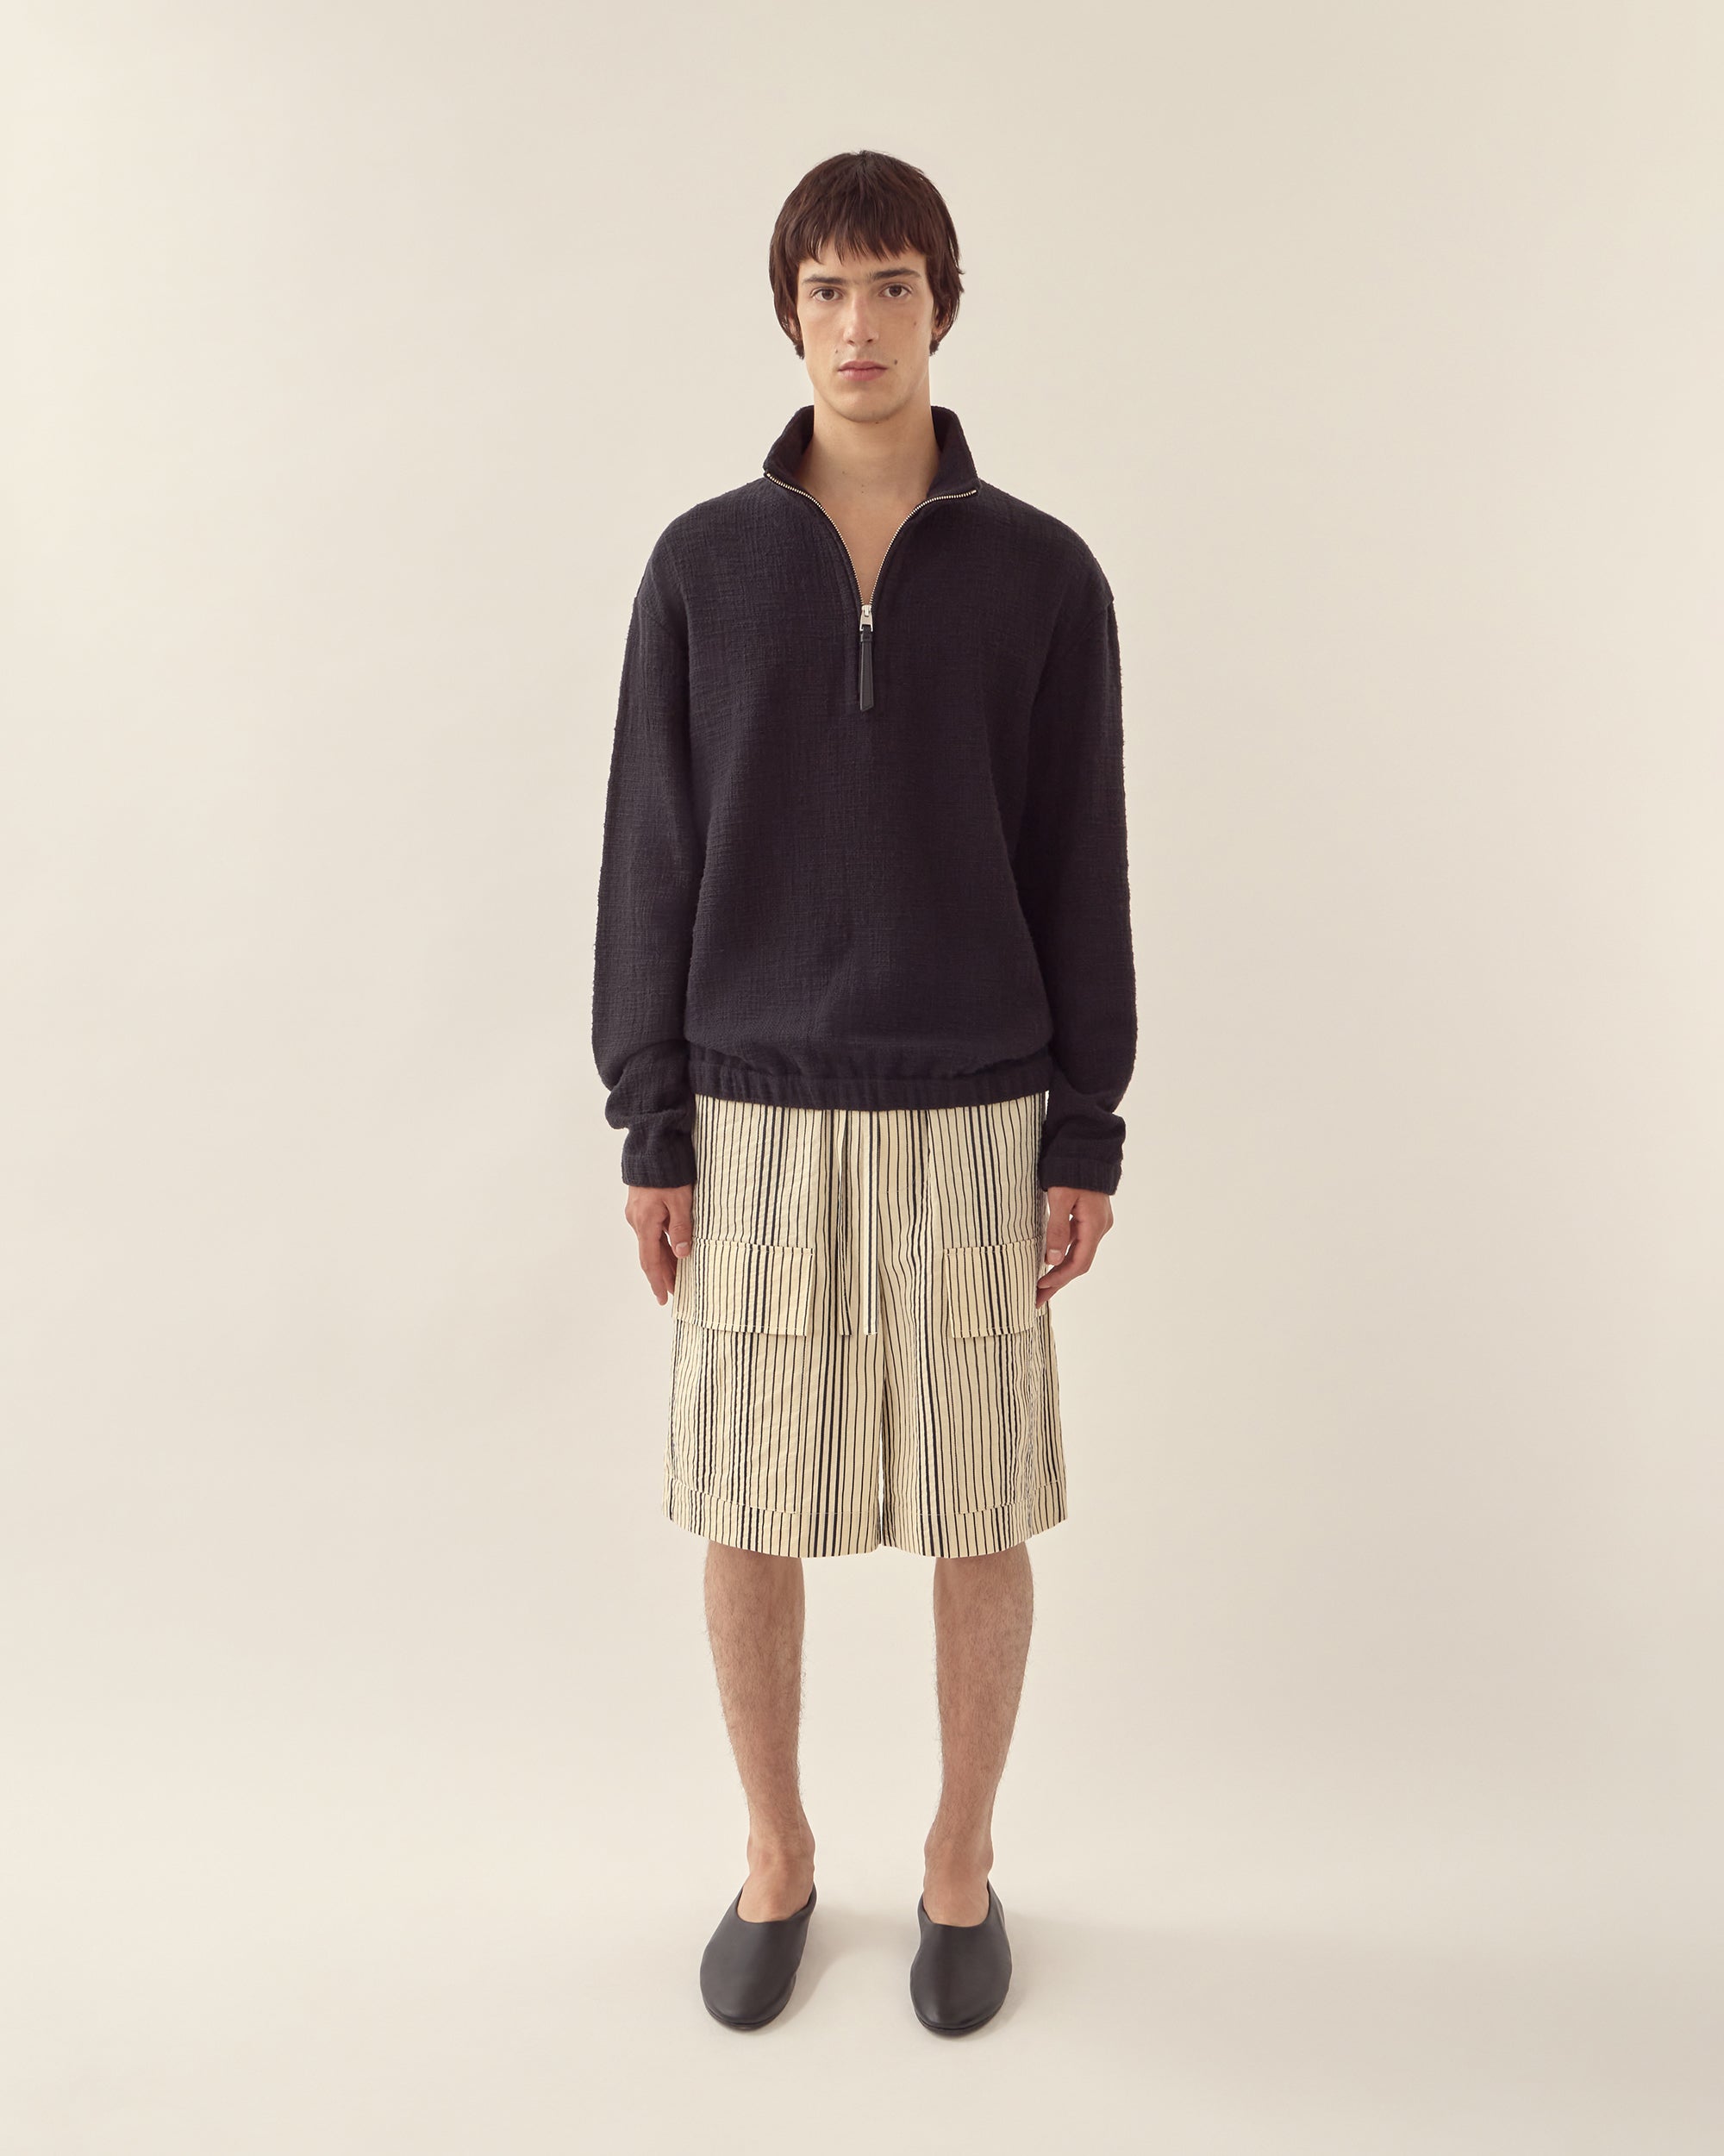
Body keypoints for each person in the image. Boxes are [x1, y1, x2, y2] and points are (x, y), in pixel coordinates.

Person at [591, 147, 1136, 2035]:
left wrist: (1086, 1122)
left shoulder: (1044, 575)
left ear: (941, 308)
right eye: (826, 288)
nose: (858, 323)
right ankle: (775, 1856)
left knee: (979, 1506)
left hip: (980, 1110)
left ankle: (960, 1867)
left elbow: (1080, 860)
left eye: (892, 284)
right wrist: (653, 1117)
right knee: (751, 1500)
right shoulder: (704, 568)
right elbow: (649, 855)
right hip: (752, 1114)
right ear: (787, 314)